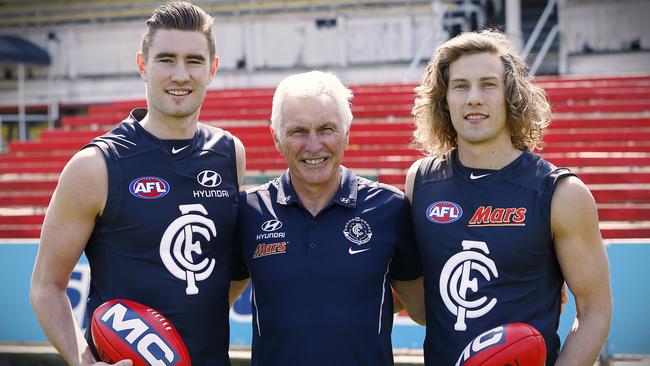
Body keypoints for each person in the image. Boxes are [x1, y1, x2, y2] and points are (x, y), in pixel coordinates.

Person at [30, 2, 247, 365]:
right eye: (166, 59)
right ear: (142, 66)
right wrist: (83, 360)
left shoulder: (229, 154)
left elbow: (231, 264)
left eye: (194, 61)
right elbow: (46, 286)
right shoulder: (95, 166)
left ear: (212, 69)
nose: (181, 75)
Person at [406, 29, 612, 365]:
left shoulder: (561, 193)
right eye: (460, 86)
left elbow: (595, 312)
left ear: (510, 95)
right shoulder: (421, 181)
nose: (474, 98)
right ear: (444, 99)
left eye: (488, 84)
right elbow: (423, 308)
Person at [234, 70, 424, 366]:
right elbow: (213, 307)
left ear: (346, 133)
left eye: (326, 129)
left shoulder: (391, 208)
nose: (313, 145)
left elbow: (421, 309)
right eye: (298, 131)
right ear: (276, 137)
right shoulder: (248, 212)